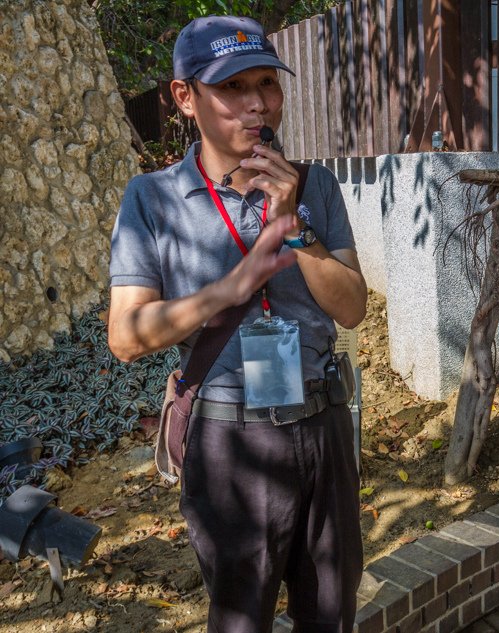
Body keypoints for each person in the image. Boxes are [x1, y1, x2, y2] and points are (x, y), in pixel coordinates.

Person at [107, 15, 366, 633]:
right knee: (241, 618)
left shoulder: (316, 185)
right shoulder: (152, 201)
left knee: (331, 613)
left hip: (323, 424)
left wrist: (295, 225)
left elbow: (352, 307)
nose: (257, 105)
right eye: (232, 89)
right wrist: (225, 290)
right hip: (229, 445)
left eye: (267, 85)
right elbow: (125, 336)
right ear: (185, 97)